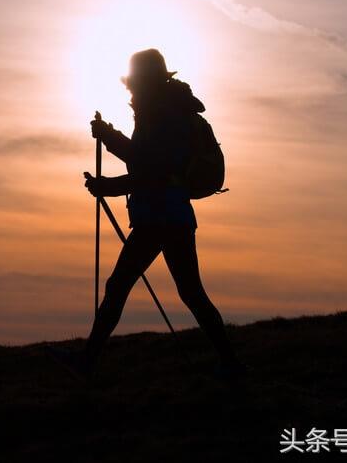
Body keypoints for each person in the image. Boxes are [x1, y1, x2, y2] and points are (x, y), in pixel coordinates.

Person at [59, 48, 243, 380]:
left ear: (143, 81)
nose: (129, 89)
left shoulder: (162, 116)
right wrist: (111, 139)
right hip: (173, 215)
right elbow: (143, 159)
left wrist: (109, 182)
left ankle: (87, 362)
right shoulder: (162, 112)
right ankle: (230, 363)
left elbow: (151, 168)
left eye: (133, 82)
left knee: (119, 287)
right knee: (190, 292)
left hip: (159, 215)